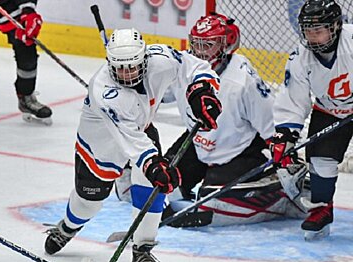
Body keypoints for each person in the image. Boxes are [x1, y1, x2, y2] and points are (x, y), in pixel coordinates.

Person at [43, 29, 222, 262]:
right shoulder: (103, 89)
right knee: (88, 203)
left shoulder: (159, 58)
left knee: (153, 188)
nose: (127, 74)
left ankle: (143, 251)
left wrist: (201, 90)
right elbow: (129, 141)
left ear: (145, 60)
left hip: (140, 128)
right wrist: (153, 164)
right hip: (101, 142)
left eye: (132, 67)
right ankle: (67, 227)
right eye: (121, 68)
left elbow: (191, 65)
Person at [151, 13, 308, 227]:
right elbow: (157, 94)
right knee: (162, 181)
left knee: (210, 203)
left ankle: (275, 193)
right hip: (199, 143)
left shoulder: (241, 81)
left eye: (207, 46)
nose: (199, 52)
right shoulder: (183, 68)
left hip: (240, 151)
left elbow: (272, 126)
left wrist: (286, 162)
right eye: (196, 44)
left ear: (225, 46)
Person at [270, 0, 352, 240]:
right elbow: (293, 100)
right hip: (329, 110)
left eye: (318, 30)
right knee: (321, 159)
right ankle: (322, 209)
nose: (312, 37)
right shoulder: (300, 57)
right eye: (308, 31)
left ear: (335, 26)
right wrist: (285, 135)